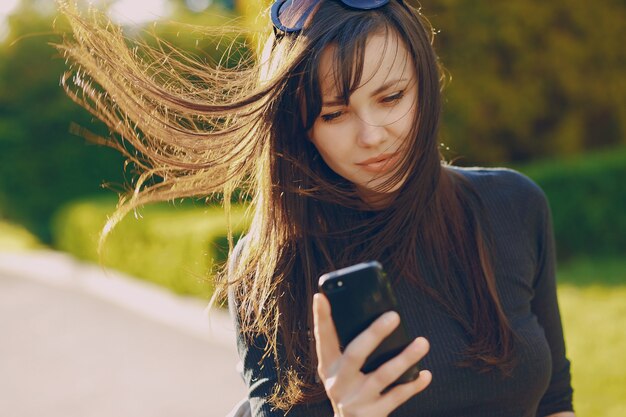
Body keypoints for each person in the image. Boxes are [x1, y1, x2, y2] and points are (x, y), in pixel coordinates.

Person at [58, 0, 575, 416]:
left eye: (391, 97)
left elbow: (554, 401)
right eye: (334, 114)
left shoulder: (512, 206)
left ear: (425, 84)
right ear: (300, 129)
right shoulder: (268, 269)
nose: (373, 136)